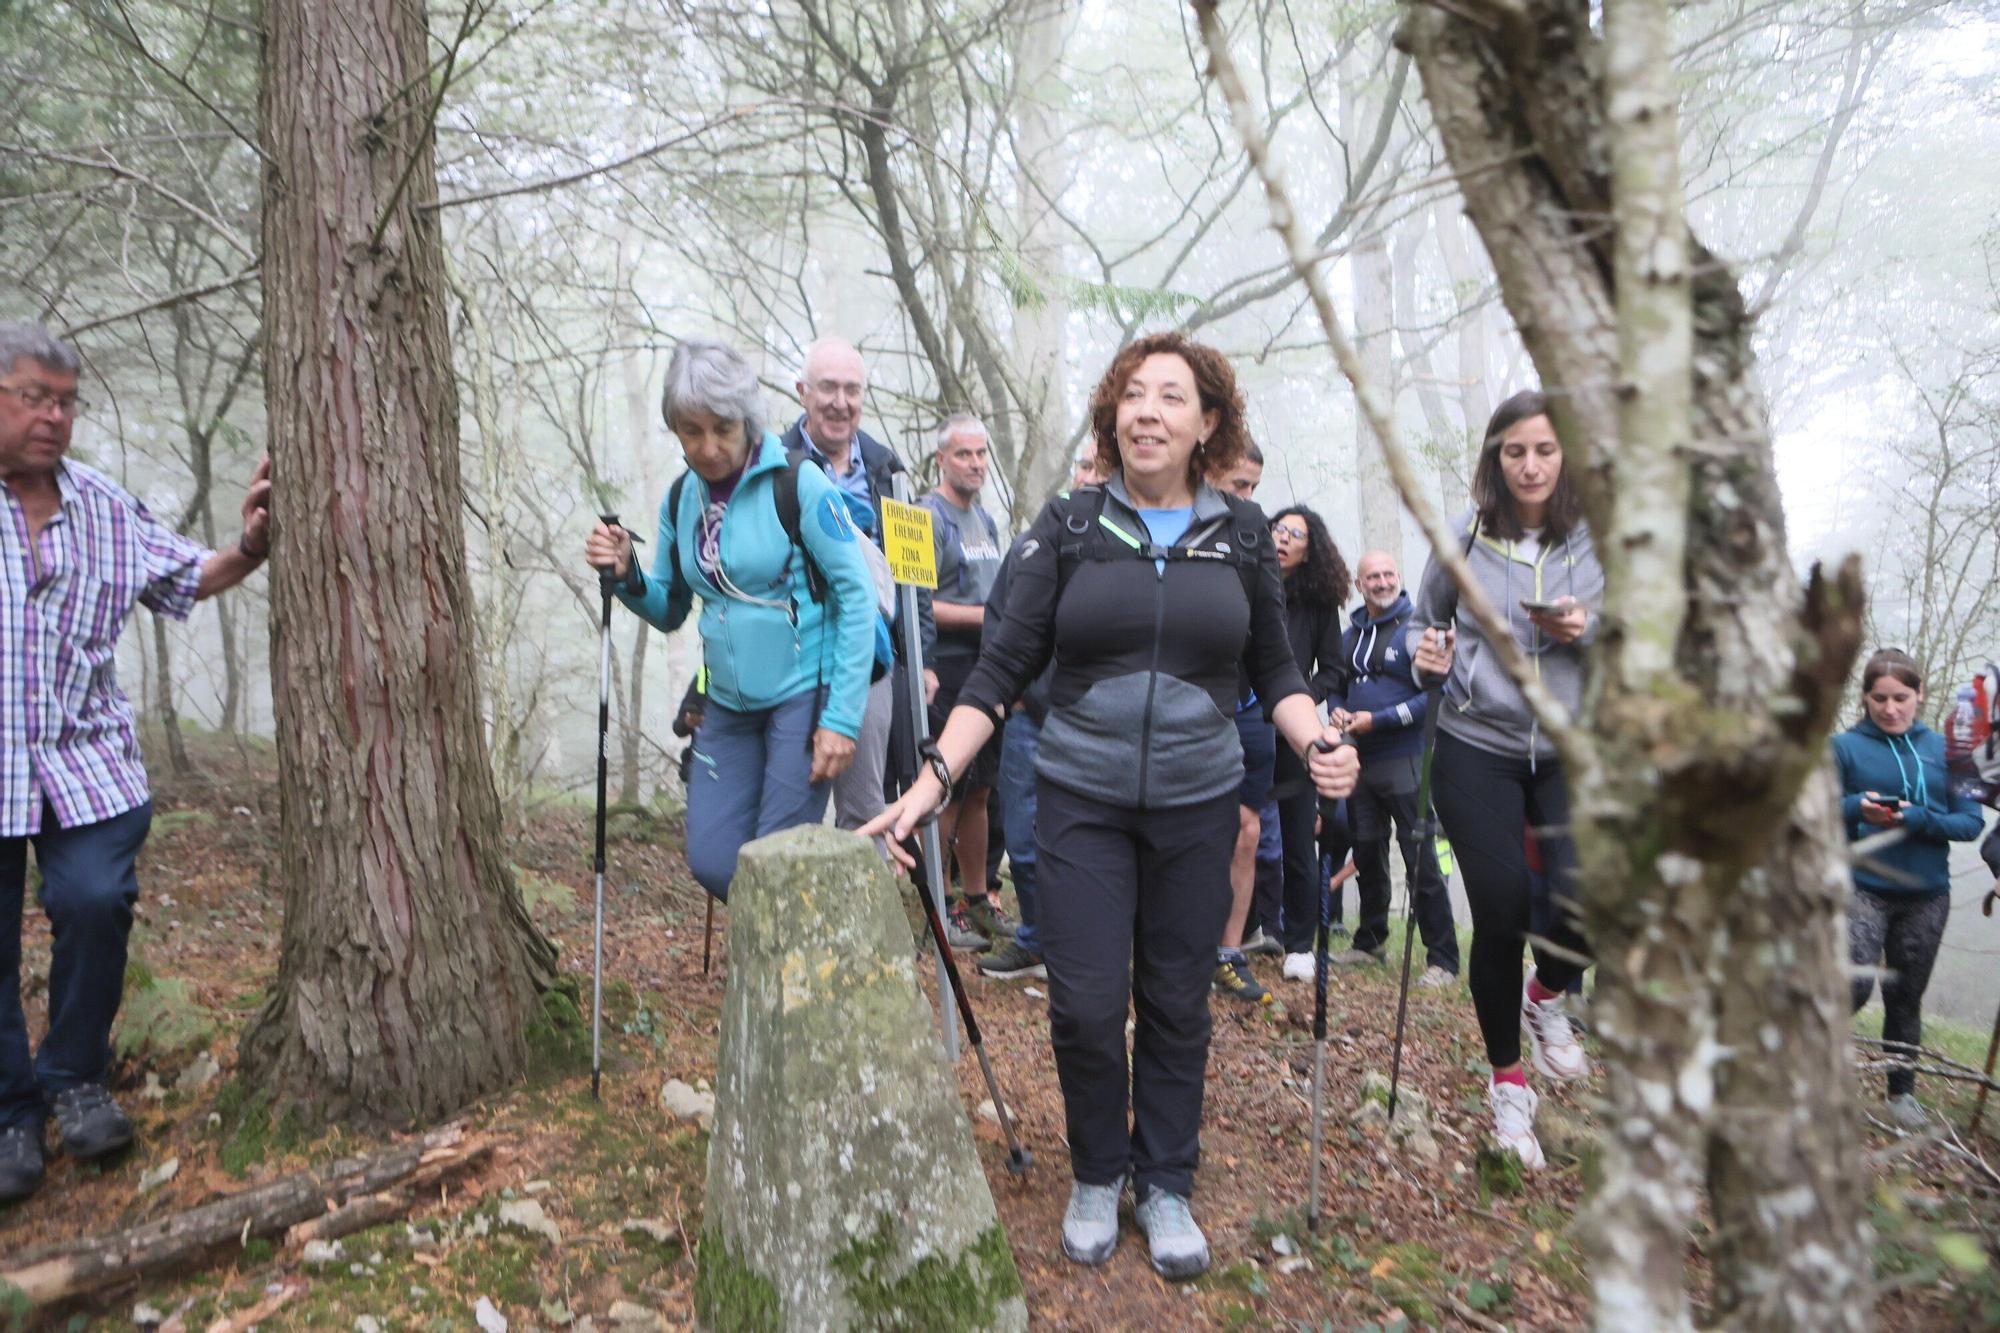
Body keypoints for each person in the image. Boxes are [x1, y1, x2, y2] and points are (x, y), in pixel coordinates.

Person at [863, 332, 1361, 1280]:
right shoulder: (1069, 525)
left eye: (1171, 396)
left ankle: (1165, 1179)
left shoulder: (1242, 535)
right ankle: (1098, 1171)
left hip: (1197, 801)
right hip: (1082, 798)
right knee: (1087, 1004)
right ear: (1111, 415)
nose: (1148, 412)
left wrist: (1317, 745)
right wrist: (929, 784)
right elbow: (1001, 671)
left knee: (1176, 998)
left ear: (1208, 422)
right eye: (1133, 394)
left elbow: (1276, 672)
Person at [0, 321, 273, 1203]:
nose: (54, 417)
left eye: (66, 402)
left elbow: (187, 575)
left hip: (85, 767)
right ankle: (9, 1115)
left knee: (95, 900)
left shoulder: (103, 507)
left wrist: (250, 546)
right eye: (34, 398)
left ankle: (74, 1077)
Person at [586, 339, 875, 900]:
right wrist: (626, 574)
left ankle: (800, 952)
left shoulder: (800, 483)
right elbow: (670, 609)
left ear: (747, 418)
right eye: (691, 432)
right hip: (726, 703)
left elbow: (857, 597)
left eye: (722, 428)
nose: (709, 446)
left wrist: (841, 719)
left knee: (778, 863)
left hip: (802, 694)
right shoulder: (680, 500)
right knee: (715, 860)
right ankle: (784, 937)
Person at [1408, 389, 1601, 1172]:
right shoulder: (1464, 535)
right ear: (1495, 457)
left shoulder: (1599, 541)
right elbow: (1424, 621)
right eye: (1514, 450)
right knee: (1502, 904)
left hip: (1568, 743)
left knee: (1588, 896)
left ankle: (1545, 994)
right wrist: (1427, 655)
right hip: (1474, 741)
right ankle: (1508, 1083)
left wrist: (1588, 629)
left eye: (1545, 450)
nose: (1530, 465)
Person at [780, 338, 936, 829]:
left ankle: (867, 882)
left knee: (866, 808)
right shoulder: (774, 465)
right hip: (791, 660)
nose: (840, 402)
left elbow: (914, 577)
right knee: (787, 805)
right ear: (803, 392)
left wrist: (922, 659)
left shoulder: (889, 470)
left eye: (852, 390)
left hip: (869, 659)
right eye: (828, 388)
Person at [1834, 649, 1984, 1128]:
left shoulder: (1950, 753)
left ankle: (1901, 1096)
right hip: (1863, 887)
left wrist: (1917, 818)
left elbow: (1971, 823)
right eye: (1879, 698)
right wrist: (1856, 807)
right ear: (1864, 698)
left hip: (1927, 895)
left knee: (1906, 997)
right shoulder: (1843, 748)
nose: (1890, 708)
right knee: (1852, 986)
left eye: (1900, 697)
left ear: (1919, 694)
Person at [977, 446, 1110, 983]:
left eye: (1102, 468)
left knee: (1090, 841)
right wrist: (1011, 694)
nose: (1089, 476)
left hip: (1098, 722)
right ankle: (1035, 939)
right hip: (1029, 716)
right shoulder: (1032, 542)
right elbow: (1000, 620)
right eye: (1084, 465)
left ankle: (1084, 947)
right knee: (1023, 836)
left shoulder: (1131, 552)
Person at [1323, 549, 1462, 989]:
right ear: (1359, 585)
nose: (1382, 582)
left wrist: (1378, 720)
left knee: (1420, 856)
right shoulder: (1349, 636)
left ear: (1399, 578)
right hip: (1360, 762)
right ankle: (1369, 941)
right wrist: (1337, 711)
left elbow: (1434, 697)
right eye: (1373, 577)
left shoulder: (1418, 631)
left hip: (1407, 759)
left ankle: (1443, 959)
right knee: (1366, 851)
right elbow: (1336, 687)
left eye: (1389, 574)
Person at [920, 415, 1011, 952]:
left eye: (981, 454)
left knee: (980, 790)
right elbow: (916, 601)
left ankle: (978, 900)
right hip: (946, 669)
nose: (976, 464)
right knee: (945, 788)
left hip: (989, 667)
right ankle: (939, 903)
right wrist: (987, 617)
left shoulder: (986, 521)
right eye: (964, 454)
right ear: (941, 459)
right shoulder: (925, 517)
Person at [1206, 441, 1286, 1007]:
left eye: (1255, 486)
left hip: (1250, 705)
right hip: (1196, 706)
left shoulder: (1254, 533)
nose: (1249, 497)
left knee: (1247, 829)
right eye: (1239, 484)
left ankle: (1229, 952)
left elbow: (1273, 638)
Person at [1262, 506, 1353, 985]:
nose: (1283, 538)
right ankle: (1243, 932)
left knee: (1299, 839)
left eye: (1295, 534)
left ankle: (1299, 945)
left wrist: (1297, 697)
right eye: (1279, 529)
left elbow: (1333, 669)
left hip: (1292, 735)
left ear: (1310, 549)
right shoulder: (1245, 584)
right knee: (1234, 832)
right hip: (1235, 725)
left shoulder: (1318, 605)